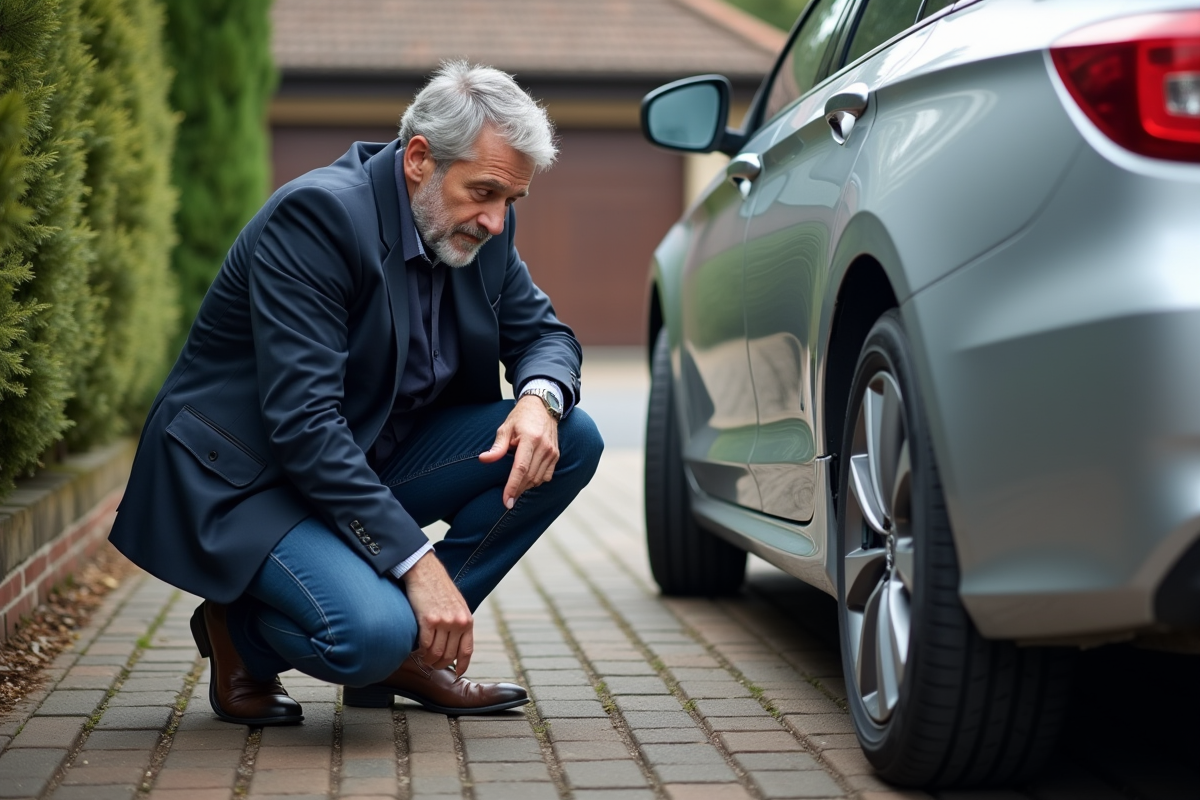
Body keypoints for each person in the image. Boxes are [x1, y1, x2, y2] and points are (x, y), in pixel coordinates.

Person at [109, 61, 603, 725]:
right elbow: (305, 424)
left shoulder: (480, 225)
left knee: (571, 438)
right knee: (368, 635)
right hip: (257, 482)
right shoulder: (316, 219)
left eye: (509, 201)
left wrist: (538, 400)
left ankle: (411, 649)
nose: (494, 220)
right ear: (420, 160)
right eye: (483, 192)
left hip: (367, 459)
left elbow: (545, 334)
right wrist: (417, 564)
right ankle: (249, 634)